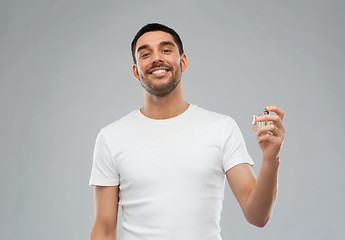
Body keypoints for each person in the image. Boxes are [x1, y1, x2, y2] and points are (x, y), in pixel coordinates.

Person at [89, 23, 286, 240]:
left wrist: (270, 159)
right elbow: (104, 230)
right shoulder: (111, 137)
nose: (156, 58)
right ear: (136, 71)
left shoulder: (221, 128)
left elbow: (257, 216)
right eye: (145, 54)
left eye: (166, 50)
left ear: (182, 62)